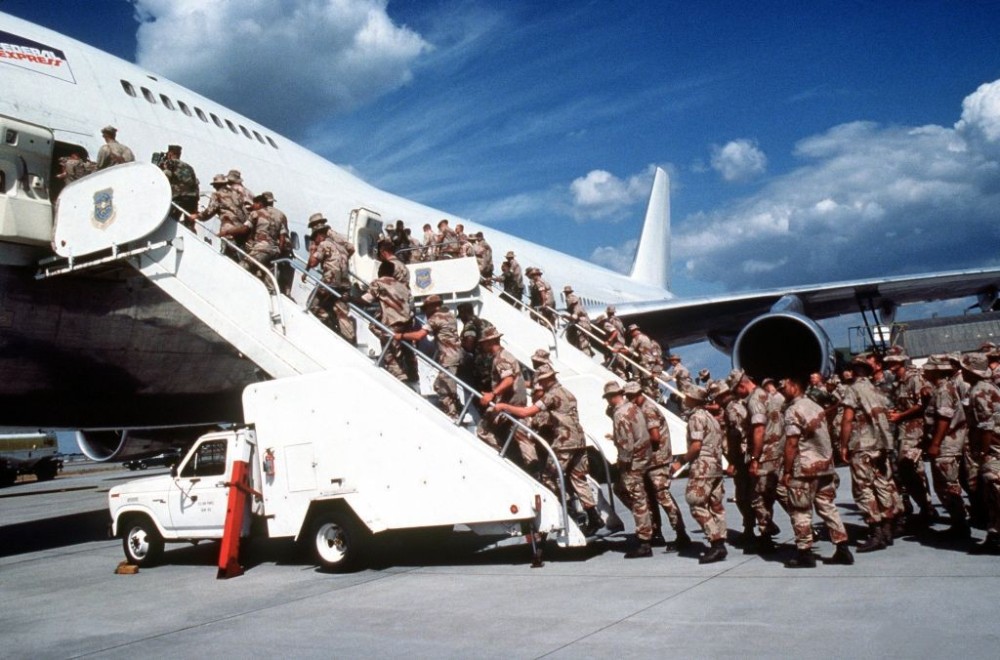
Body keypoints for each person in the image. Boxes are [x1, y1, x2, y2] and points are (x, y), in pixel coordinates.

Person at [495, 364, 603, 536]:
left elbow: (526, 412)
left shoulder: (552, 395)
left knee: (549, 476)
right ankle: (593, 516)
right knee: (578, 477)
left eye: (542, 381)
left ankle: (568, 513)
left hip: (565, 442)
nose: (541, 384)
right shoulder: (568, 392)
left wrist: (504, 407)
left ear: (547, 379)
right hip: (579, 440)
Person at [781, 375, 854, 567]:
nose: (782, 390)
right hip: (825, 467)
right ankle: (842, 547)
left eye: (784, 386)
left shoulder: (793, 410)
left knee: (800, 510)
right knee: (828, 508)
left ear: (794, 385)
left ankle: (804, 552)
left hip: (804, 468)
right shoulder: (816, 407)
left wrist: (787, 470)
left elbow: (791, 443)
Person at [840, 355, 902, 552]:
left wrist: (843, 445)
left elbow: (847, 419)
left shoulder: (853, 389)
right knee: (883, 485)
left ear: (854, 371)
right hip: (881, 445)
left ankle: (875, 531)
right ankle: (887, 529)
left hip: (862, 444)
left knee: (863, 489)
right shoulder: (877, 390)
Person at [624, 381, 690, 551]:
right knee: (651, 498)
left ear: (639, 394)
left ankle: (681, 534)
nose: (630, 399)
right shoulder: (641, 408)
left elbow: (654, 437)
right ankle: (657, 532)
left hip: (657, 460)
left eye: (632, 396)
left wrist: (636, 445)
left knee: (663, 496)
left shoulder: (647, 409)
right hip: (650, 460)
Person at [671, 387, 728, 564]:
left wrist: (680, 462)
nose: (685, 398)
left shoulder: (696, 417)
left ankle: (716, 542)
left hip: (703, 467)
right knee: (715, 504)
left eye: (687, 396)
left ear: (694, 400)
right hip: (716, 465)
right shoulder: (711, 417)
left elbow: (696, 445)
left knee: (695, 502)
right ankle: (721, 540)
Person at [734, 370, 785, 554]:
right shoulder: (768, 395)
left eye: (735, 390)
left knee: (758, 497)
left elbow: (758, 429)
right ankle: (805, 528)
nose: (736, 395)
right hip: (778, 451)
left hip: (766, 454)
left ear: (741, 385)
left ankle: (766, 537)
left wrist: (755, 458)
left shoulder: (754, 399)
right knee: (779, 492)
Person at [884, 352, 936, 531]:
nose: (890, 364)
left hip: (915, 429)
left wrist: (901, 415)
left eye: (894, 361)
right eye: (889, 361)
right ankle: (924, 506)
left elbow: (922, 405)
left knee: (912, 467)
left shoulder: (914, 379)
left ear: (902, 361)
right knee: (906, 469)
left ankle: (927, 508)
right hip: (903, 430)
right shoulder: (897, 382)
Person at [923, 354, 971, 540]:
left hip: (947, 445)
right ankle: (958, 523)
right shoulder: (941, 388)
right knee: (943, 486)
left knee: (948, 486)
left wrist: (935, 443)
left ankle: (961, 525)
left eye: (928, 369)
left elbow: (944, 419)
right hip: (946, 444)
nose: (925, 371)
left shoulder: (944, 390)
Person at [603, 381, 654, 558]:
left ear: (611, 397)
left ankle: (645, 540)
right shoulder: (633, 407)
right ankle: (648, 524)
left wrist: (622, 463)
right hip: (644, 456)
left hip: (633, 462)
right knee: (621, 489)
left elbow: (626, 444)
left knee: (637, 499)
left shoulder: (620, 414)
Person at [398, 295, 462, 419]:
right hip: (455, 354)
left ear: (433, 306)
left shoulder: (436, 318)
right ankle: (458, 407)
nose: (425, 312)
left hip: (448, 358)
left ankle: (453, 415)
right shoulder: (450, 315)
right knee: (442, 385)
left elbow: (418, 336)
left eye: (426, 308)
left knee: (443, 388)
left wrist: (401, 336)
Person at [305, 214, 356, 345]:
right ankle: (350, 339)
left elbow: (313, 263)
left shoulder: (323, 245)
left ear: (318, 235)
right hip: (344, 285)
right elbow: (351, 249)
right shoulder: (340, 246)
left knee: (311, 305)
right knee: (341, 312)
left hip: (330, 282)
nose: (315, 241)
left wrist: (313, 251)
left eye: (314, 237)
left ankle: (330, 326)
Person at [476, 327, 528, 451]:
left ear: (490, 342)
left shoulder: (500, 359)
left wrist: (492, 394)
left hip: (508, 402)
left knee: (482, 430)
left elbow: (508, 379)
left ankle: (498, 451)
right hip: (518, 402)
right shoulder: (507, 354)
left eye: (484, 343)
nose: (482, 346)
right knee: (520, 437)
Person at [361, 260, 414, 381]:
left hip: (392, 324)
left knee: (389, 352)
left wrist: (351, 299)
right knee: (405, 351)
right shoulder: (403, 286)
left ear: (380, 271)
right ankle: (412, 374)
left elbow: (366, 300)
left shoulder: (379, 283)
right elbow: (411, 305)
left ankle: (400, 377)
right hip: (406, 325)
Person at [193, 174, 249, 259]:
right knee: (240, 253)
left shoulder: (217, 195)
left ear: (216, 185)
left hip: (229, 229)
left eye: (214, 185)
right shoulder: (236, 194)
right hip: (241, 228)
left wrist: (198, 216)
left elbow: (210, 211)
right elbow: (245, 211)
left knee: (228, 255)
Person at [243, 192, 289, 287]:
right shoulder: (281, 215)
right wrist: (278, 252)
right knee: (268, 279)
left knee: (245, 267)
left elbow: (247, 230)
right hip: (275, 251)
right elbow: (284, 238)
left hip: (260, 248)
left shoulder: (257, 212)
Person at [159, 144, 199, 226]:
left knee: (169, 221)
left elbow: (166, 175)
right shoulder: (189, 167)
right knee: (189, 224)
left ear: (170, 153)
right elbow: (195, 182)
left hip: (179, 197)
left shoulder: (170, 163)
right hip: (193, 198)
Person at [628, 324, 664, 399]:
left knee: (647, 381)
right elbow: (658, 357)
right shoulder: (652, 342)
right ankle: (658, 398)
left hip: (646, 363)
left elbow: (630, 350)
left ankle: (653, 397)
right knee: (653, 383)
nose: (631, 334)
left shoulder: (638, 338)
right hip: (652, 364)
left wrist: (620, 350)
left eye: (631, 332)